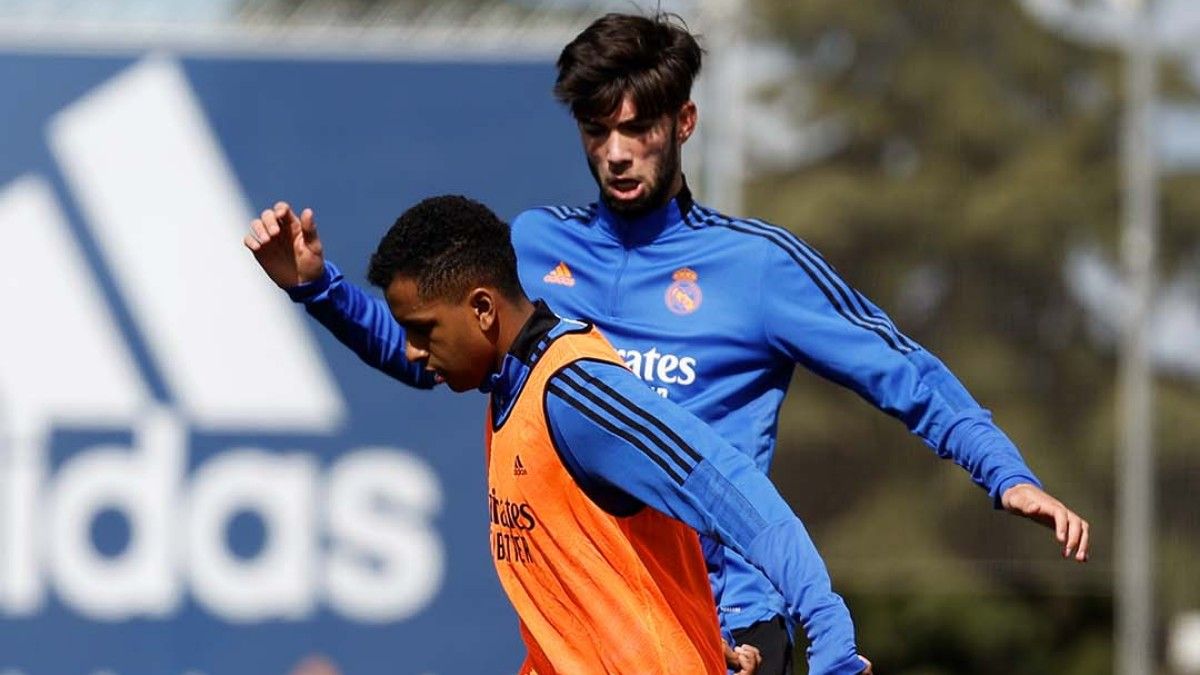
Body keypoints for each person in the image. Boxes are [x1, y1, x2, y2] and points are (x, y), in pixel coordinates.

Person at [247, 12, 1089, 674]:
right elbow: (433, 356)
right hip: (609, 607)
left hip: (731, 615)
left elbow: (896, 367)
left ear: (683, 120)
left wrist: (1002, 470)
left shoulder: (756, 268)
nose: (615, 153)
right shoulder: (536, 248)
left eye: (637, 126)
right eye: (595, 130)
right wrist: (317, 288)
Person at [246, 194, 870, 675]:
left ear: (484, 310)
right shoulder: (506, 378)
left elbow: (730, 489)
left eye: (423, 330)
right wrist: (317, 288)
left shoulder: (577, 394)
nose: (410, 350)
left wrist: (829, 629)